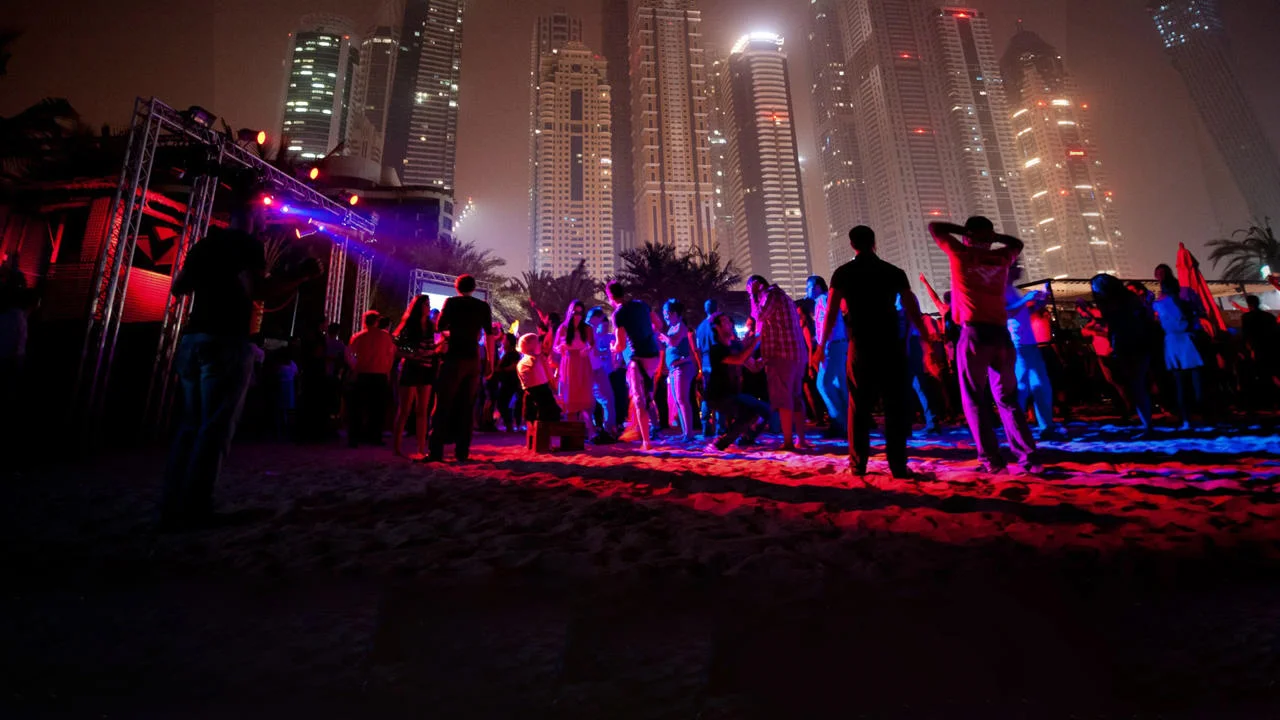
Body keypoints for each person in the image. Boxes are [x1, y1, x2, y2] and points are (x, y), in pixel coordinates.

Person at [160, 190, 322, 529]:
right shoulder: (247, 245)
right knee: (215, 428)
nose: (267, 223)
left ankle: (172, 503)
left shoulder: (205, 244)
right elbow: (258, 291)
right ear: (252, 216)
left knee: (190, 425)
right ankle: (196, 507)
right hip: (227, 340)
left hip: (193, 339)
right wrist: (300, 277)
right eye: (264, 217)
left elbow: (179, 287)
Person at [929, 217, 1040, 473]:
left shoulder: (961, 253)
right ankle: (1028, 458)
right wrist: (991, 238)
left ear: (968, 237)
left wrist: (970, 235)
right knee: (1008, 400)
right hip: (1001, 335)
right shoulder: (1001, 258)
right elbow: (1016, 243)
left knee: (974, 399)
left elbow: (935, 228)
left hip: (974, 334)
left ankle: (992, 460)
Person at [815, 225, 925, 478]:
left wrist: (821, 346)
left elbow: (831, 312)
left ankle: (858, 464)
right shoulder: (893, 272)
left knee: (859, 406)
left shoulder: (843, 273)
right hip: (889, 344)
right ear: (874, 242)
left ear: (852, 244)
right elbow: (911, 308)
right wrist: (927, 337)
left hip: (861, 344)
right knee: (894, 405)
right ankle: (897, 465)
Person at [423, 275, 495, 463]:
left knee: (443, 404)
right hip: (473, 359)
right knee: (467, 407)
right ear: (474, 288)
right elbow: (489, 335)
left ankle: (436, 451)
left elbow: (440, 327)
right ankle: (462, 452)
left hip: (454, 358)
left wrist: (452, 332)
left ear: (456, 287)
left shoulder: (451, 303)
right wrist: (490, 361)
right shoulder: (483, 307)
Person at [747, 275, 810, 451]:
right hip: (795, 354)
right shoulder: (783, 296)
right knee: (796, 397)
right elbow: (766, 329)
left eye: (750, 291)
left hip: (782, 355)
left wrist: (753, 295)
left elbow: (758, 316)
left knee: (783, 399)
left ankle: (789, 441)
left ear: (757, 285)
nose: (751, 297)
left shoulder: (770, 295)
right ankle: (801, 440)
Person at [1092, 274, 1155, 434]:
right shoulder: (1128, 299)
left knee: (1136, 384)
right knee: (1137, 384)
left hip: (1129, 343)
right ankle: (1146, 423)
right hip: (1134, 342)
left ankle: (1146, 424)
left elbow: (1115, 323)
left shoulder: (1116, 302)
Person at [1005, 266, 1060, 439]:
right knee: (1022, 387)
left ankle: (1045, 427)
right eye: (1015, 267)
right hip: (1017, 344)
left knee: (1040, 385)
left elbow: (1022, 313)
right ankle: (1017, 428)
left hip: (1029, 343)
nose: (1020, 269)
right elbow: (1005, 313)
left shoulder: (1013, 290)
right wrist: (1026, 299)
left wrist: (1039, 303)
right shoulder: (1000, 290)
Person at [703, 312, 771, 451]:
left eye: (729, 321)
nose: (729, 324)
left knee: (765, 409)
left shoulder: (735, 347)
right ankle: (721, 442)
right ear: (717, 327)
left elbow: (754, 367)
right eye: (724, 322)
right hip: (717, 395)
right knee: (750, 412)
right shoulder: (716, 349)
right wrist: (755, 340)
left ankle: (747, 438)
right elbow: (739, 359)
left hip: (734, 393)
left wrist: (767, 357)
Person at [608, 281, 662, 451]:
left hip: (637, 358)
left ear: (610, 296)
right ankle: (648, 429)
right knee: (646, 395)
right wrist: (646, 332)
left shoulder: (618, 314)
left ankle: (646, 441)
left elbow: (621, 345)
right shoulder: (641, 305)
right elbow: (658, 324)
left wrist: (612, 348)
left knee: (638, 399)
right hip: (653, 355)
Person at [1154, 274, 1205, 430]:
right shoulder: (1185, 304)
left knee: (1179, 383)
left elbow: (1155, 319)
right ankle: (1202, 413)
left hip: (1172, 342)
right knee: (1197, 380)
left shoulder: (1158, 305)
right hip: (1188, 340)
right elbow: (1196, 318)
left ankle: (1186, 419)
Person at [392, 295, 437, 458]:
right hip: (410, 367)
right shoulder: (409, 325)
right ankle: (396, 447)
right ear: (418, 306)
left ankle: (421, 448)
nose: (428, 307)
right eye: (425, 304)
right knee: (404, 410)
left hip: (426, 368)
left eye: (428, 304)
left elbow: (431, 345)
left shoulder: (431, 326)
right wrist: (412, 355)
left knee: (422, 410)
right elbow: (396, 348)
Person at [347, 310, 398, 447]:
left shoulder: (359, 336)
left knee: (358, 408)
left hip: (363, 374)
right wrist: (386, 370)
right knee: (377, 409)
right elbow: (391, 355)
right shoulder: (385, 336)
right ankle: (375, 437)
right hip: (380, 375)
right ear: (377, 321)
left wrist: (355, 368)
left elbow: (349, 355)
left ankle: (355, 438)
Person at [808, 275, 848, 436]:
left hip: (832, 345)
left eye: (809, 286)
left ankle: (839, 422)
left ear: (818, 286)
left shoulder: (823, 300)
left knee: (823, 384)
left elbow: (827, 323)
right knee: (840, 385)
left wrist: (821, 346)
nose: (807, 290)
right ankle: (847, 424)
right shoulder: (826, 299)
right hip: (839, 344)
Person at [555, 300, 599, 434]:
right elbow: (556, 346)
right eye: (575, 312)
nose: (578, 315)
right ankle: (571, 432)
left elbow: (592, 345)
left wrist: (588, 349)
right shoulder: (563, 328)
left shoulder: (587, 328)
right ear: (570, 312)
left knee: (584, 396)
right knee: (570, 397)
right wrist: (560, 348)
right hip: (568, 362)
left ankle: (589, 430)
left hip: (582, 362)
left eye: (580, 312)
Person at [660, 299, 700, 442]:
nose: (665, 316)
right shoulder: (672, 328)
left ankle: (688, 434)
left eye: (667, 313)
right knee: (678, 401)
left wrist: (662, 336)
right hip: (675, 368)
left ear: (676, 313)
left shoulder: (680, 326)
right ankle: (685, 433)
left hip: (682, 368)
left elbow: (673, 342)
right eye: (664, 313)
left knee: (682, 400)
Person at [586, 307, 619, 437]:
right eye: (600, 319)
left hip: (590, 368)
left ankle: (592, 430)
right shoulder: (590, 330)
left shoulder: (587, 329)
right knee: (608, 399)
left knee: (592, 402)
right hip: (595, 369)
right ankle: (609, 429)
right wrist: (606, 351)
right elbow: (593, 351)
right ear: (596, 318)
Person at [517, 332, 561, 423]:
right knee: (548, 414)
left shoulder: (521, 363)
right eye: (538, 343)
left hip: (529, 392)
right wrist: (555, 386)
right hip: (543, 391)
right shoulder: (540, 358)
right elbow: (549, 376)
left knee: (532, 415)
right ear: (533, 345)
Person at [695, 299, 719, 436]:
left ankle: (705, 426)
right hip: (715, 361)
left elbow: (697, 348)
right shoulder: (715, 324)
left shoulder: (700, 327)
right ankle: (719, 427)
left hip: (704, 363)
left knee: (706, 395)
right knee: (720, 394)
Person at [493, 333, 522, 432]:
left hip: (510, 383)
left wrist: (501, 370)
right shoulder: (507, 353)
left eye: (504, 339)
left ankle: (510, 425)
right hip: (507, 382)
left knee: (502, 403)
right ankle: (509, 424)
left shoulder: (513, 354)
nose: (502, 341)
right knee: (503, 403)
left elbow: (514, 366)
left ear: (508, 342)